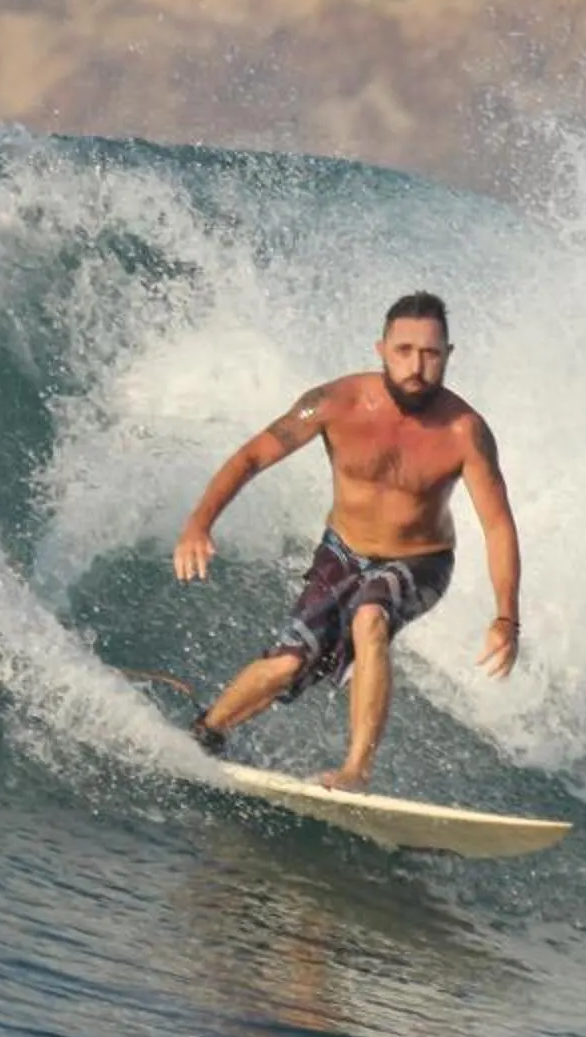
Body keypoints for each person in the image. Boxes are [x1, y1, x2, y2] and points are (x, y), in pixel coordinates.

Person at [171, 291, 522, 789]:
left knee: (370, 616)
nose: (417, 366)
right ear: (381, 349)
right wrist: (198, 524)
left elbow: (498, 525)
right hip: (341, 551)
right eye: (404, 351)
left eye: (431, 354)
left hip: (420, 560)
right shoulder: (335, 404)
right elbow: (251, 457)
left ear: (448, 355)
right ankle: (206, 734)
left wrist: (506, 616)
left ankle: (356, 771)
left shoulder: (465, 432)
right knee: (287, 664)